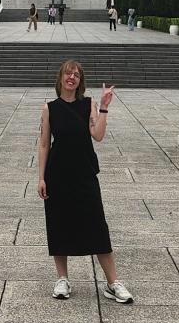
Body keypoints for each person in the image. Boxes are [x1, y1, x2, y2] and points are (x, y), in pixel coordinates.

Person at [38, 60, 131, 304]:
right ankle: (62, 279)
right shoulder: (49, 108)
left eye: (76, 75)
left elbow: (97, 135)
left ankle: (113, 283)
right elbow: (44, 143)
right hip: (57, 174)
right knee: (59, 225)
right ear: (60, 78)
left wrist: (104, 107)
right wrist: (41, 177)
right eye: (68, 74)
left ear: (80, 81)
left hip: (84, 173)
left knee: (97, 226)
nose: (72, 78)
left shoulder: (88, 104)